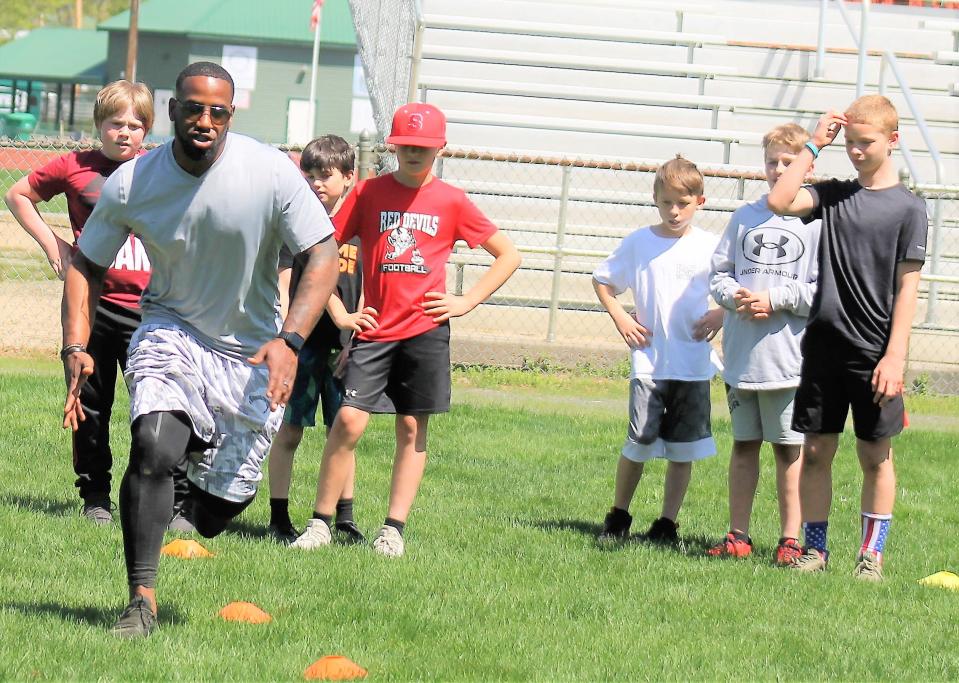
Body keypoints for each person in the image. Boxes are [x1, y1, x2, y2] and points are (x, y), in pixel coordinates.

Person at [60, 61, 339, 637]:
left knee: (215, 514)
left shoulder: (270, 172)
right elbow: (85, 263)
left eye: (218, 110)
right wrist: (75, 344)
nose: (205, 120)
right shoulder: (135, 182)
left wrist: (291, 339)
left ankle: (208, 442)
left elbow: (323, 253)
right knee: (153, 447)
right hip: (172, 330)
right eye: (193, 107)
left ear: (231, 115)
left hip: (254, 352)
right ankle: (140, 600)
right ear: (173, 111)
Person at [290, 102, 521, 558]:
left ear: (439, 149)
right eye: (406, 145)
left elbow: (508, 254)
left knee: (413, 428)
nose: (414, 153)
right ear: (393, 146)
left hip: (425, 332)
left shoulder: (452, 200)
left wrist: (465, 301)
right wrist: (337, 311)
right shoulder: (370, 193)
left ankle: (392, 528)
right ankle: (320, 523)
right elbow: (318, 251)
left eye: (424, 146)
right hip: (375, 330)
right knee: (349, 422)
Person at [2, 81, 193, 525]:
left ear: (147, 130)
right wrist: (55, 246)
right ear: (99, 125)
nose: (125, 133)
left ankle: (176, 498)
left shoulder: (163, 169)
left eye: (135, 125)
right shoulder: (75, 167)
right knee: (91, 403)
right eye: (115, 124)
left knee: (164, 406)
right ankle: (96, 498)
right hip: (95, 306)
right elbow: (18, 195)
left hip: (154, 307)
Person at [767, 95, 927, 581]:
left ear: (892, 141)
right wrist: (814, 145)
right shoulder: (835, 195)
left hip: (875, 353)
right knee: (816, 451)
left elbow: (907, 287)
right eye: (850, 143)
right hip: (824, 348)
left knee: (875, 455)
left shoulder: (909, 209)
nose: (855, 152)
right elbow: (780, 200)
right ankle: (816, 551)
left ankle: (871, 556)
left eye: (866, 143)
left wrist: (895, 356)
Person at [594, 156, 724, 545]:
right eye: (666, 202)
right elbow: (603, 280)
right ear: (655, 199)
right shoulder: (638, 242)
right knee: (639, 441)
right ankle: (618, 516)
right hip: (650, 363)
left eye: (682, 203)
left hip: (693, 364)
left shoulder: (711, 247)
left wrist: (720, 314)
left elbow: (730, 290)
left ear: (699, 201)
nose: (674, 211)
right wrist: (620, 316)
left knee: (682, 449)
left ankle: (667, 523)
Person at [706, 123, 820, 565]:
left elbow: (822, 292)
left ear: (805, 166)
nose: (777, 169)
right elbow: (718, 273)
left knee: (789, 451)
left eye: (787, 163)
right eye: (771, 161)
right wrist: (734, 296)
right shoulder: (744, 216)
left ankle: (790, 539)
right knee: (743, 445)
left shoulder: (814, 222)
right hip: (741, 359)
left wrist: (777, 299)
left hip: (788, 361)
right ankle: (738, 535)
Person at [267, 135, 381, 544]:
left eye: (326, 175)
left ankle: (344, 518)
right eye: (309, 175)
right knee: (290, 429)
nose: (316, 183)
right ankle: (278, 516)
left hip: (347, 345)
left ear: (349, 178)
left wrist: (356, 334)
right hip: (306, 342)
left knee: (343, 431)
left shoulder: (361, 227)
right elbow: (306, 282)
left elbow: (370, 283)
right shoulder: (301, 224)